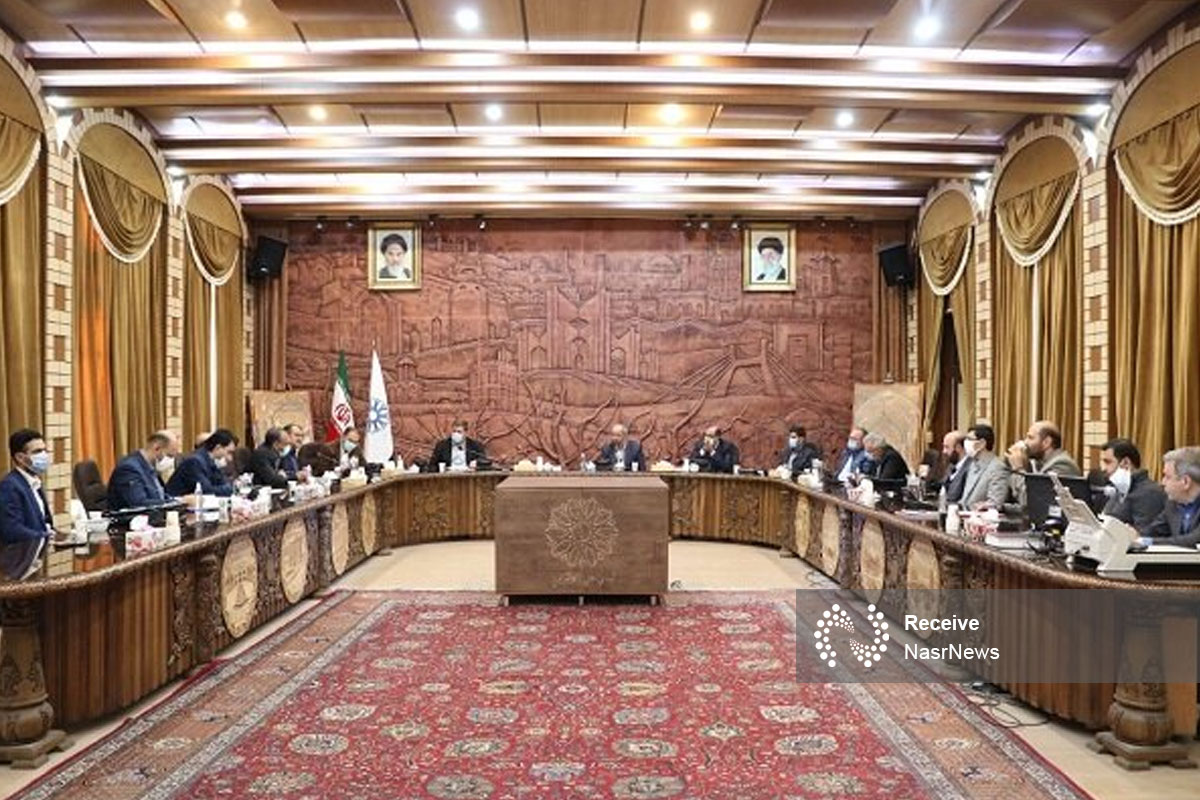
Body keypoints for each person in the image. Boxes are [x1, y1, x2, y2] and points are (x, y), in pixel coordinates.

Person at [0, 429, 56, 581]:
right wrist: (45, 537)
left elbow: (44, 521)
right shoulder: (10, 486)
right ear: (20, 457)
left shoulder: (34, 481)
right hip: (19, 568)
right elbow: (11, 530)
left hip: (36, 561)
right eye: (37, 451)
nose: (44, 455)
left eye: (44, 450)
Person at [1006, 420, 1081, 508]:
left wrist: (1018, 469)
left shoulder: (1062, 464)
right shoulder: (1038, 463)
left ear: (1046, 442)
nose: (1025, 442)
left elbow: (1032, 501)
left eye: (1030, 438)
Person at [1098, 438, 1166, 532]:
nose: (1103, 468)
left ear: (1126, 462)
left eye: (1108, 462)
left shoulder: (1149, 493)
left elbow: (1144, 534)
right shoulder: (1120, 489)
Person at [1139, 447, 1200, 547]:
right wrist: (1132, 535)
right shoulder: (1172, 504)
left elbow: (1194, 540)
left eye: (1167, 477)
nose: (1162, 483)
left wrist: (1147, 542)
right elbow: (1153, 531)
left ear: (1186, 482)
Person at [107, 430, 180, 510]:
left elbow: (160, 496)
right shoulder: (129, 469)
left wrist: (178, 501)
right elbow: (139, 504)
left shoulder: (151, 467)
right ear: (157, 448)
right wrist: (175, 503)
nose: (170, 461)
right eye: (169, 456)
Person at [166, 429, 237, 497]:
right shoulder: (195, 462)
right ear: (218, 448)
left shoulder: (210, 460)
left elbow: (223, 483)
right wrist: (229, 489)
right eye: (228, 452)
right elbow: (206, 491)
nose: (230, 458)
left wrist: (228, 488)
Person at [958, 424, 1011, 509]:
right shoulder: (972, 464)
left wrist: (984, 506)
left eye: (969, 439)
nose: (966, 443)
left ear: (982, 443)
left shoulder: (998, 468)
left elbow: (996, 502)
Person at [935, 431, 969, 502]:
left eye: (947, 447)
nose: (944, 451)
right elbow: (942, 485)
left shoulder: (969, 468)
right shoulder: (951, 465)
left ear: (958, 448)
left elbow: (955, 495)